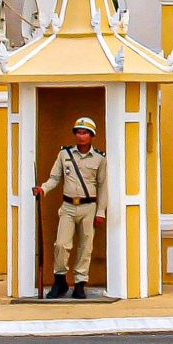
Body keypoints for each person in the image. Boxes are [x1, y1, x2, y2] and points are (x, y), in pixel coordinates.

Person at [32, 115, 107, 298]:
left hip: (88, 207)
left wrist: (101, 212)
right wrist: (43, 189)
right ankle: (60, 281)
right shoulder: (64, 154)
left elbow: (103, 185)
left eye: (85, 133)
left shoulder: (99, 159)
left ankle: (80, 283)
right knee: (61, 245)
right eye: (78, 132)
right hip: (68, 205)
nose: (81, 136)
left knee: (85, 246)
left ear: (91, 135)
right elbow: (55, 178)